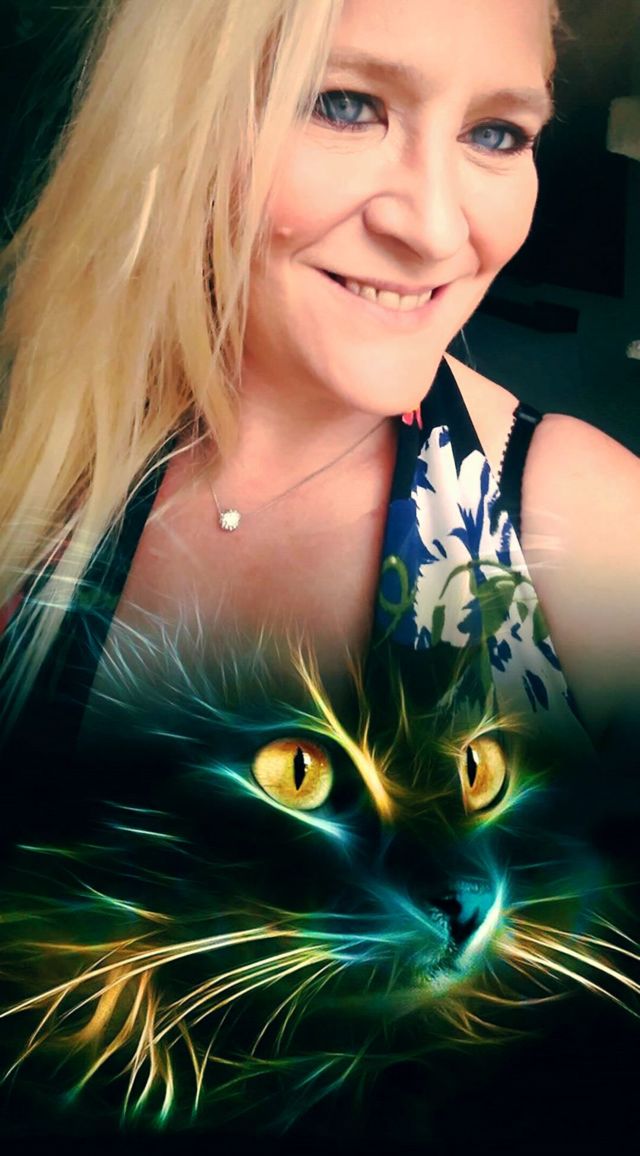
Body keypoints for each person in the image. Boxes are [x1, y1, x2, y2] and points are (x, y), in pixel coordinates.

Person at [0, 0, 638, 774]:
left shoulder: (596, 528)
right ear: (174, 119)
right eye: (345, 106)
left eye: (496, 133)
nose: (436, 230)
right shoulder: (39, 439)